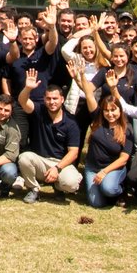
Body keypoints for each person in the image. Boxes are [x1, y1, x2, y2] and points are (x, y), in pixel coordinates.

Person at [15, 74, 84, 205]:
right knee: (24, 157)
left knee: (72, 184)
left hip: (61, 163)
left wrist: (57, 169)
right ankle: (34, 189)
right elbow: (23, 101)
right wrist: (28, 88)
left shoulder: (71, 122)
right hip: (40, 161)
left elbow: (73, 153)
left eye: (55, 99)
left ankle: (58, 187)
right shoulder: (39, 111)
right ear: (44, 99)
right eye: (48, 99)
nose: (52, 102)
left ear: (62, 99)